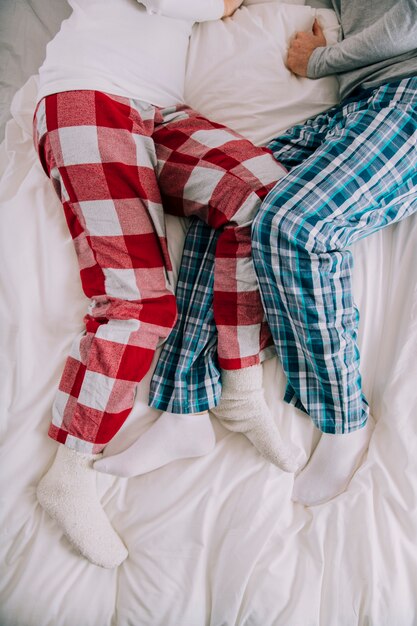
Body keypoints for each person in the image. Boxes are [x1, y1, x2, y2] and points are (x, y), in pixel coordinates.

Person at [33, 0, 305, 569]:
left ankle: (241, 388)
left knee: (266, 198)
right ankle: (70, 469)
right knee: (139, 303)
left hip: (161, 112)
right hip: (86, 98)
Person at [148, 0, 417, 506]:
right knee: (236, 193)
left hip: (409, 94)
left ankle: (343, 421)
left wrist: (320, 60)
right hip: (358, 106)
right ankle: (185, 407)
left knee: (298, 227)